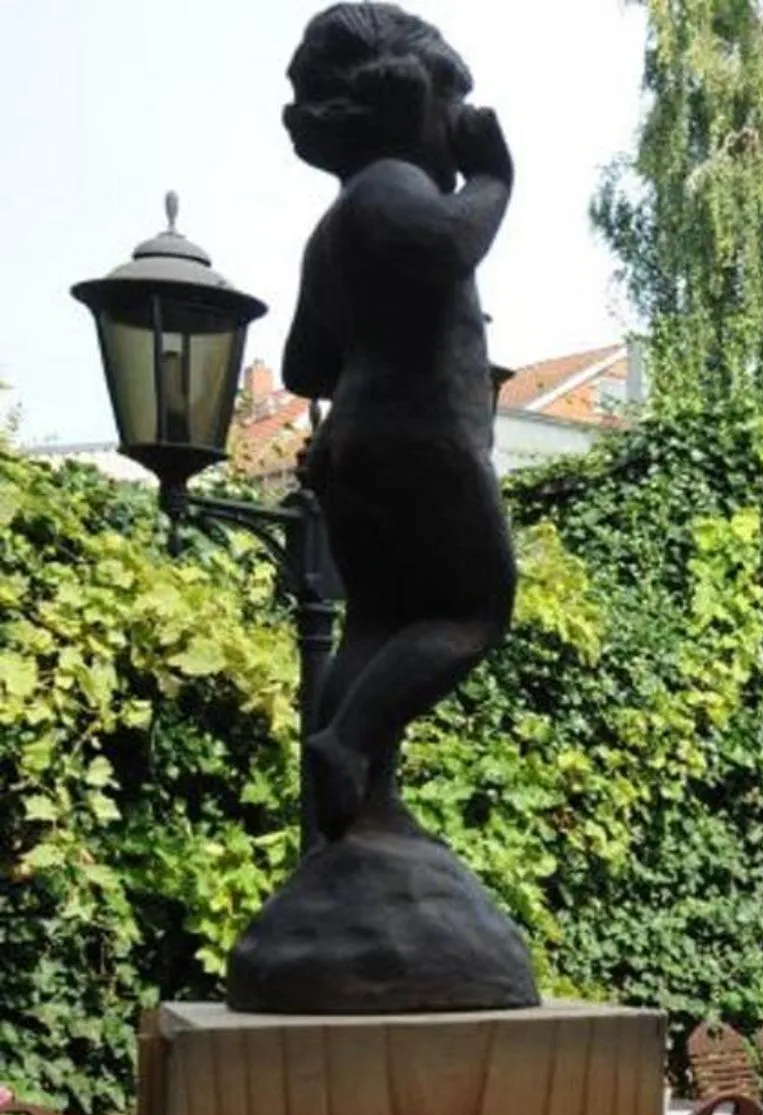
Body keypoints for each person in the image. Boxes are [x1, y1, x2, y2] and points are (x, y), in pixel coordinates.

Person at [280, 3, 513, 844]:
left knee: (377, 620)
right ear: (405, 100)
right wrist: (495, 181)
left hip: (359, 444)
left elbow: (303, 364)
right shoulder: (393, 190)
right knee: (472, 611)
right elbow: (449, 249)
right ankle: (347, 744)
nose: (465, 123)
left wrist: (369, 339)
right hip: (426, 439)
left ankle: (356, 805)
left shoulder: (336, 223)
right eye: (454, 98)